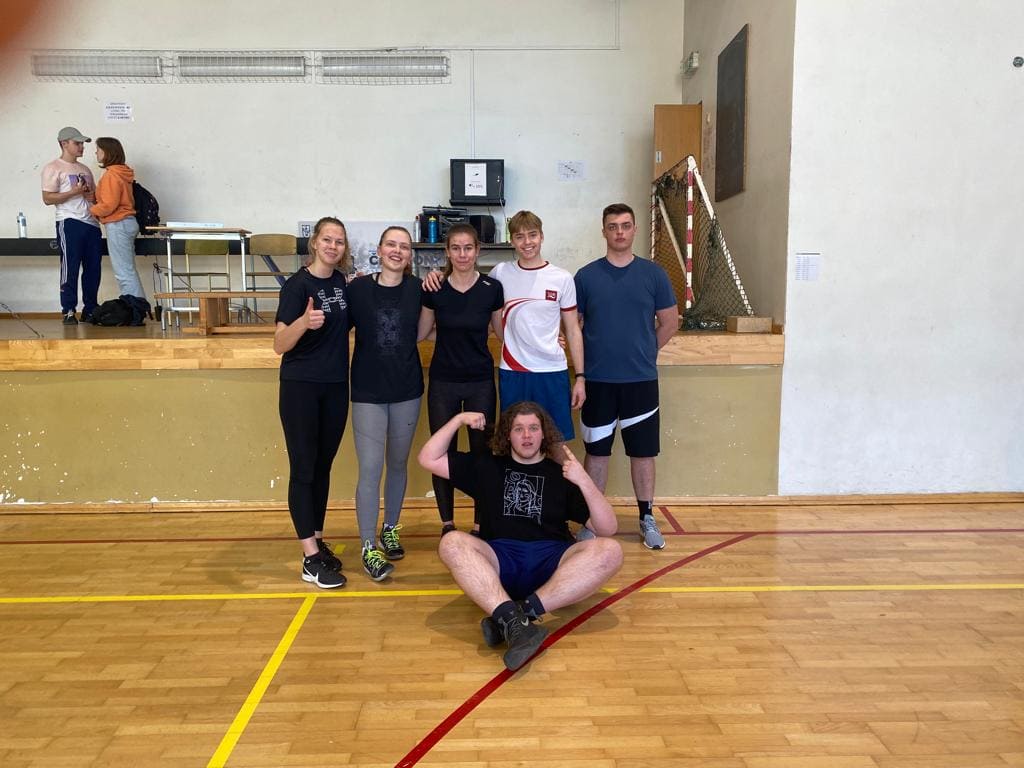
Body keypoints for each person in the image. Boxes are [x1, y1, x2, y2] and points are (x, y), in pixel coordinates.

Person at [418, 402, 623, 671]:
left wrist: (583, 479)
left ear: (543, 434)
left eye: (533, 428)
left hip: (552, 566)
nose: (527, 435)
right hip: (500, 560)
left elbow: (607, 528)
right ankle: (516, 618)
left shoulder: (560, 475)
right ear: (508, 435)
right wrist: (458, 420)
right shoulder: (487, 467)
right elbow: (428, 459)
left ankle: (515, 617)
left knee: (611, 550)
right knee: (451, 542)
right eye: (519, 429)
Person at [423, 211, 585, 446]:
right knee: (512, 443)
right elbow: (472, 297)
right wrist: (437, 274)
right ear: (512, 241)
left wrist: (580, 376)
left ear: (542, 236)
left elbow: (572, 329)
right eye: (519, 236)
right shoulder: (500, 274)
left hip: (551, 371)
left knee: (554, 442)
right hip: (513, 371)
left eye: (532, 235)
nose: (527, 242)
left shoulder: (562, 278)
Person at [574, 203, 679, 549]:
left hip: (640, 382)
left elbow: (670, 322)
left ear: (634, 229)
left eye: (625, 225)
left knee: (643, 453)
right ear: (603, 231)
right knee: (597, 454)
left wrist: (645, 352)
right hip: (598, 382)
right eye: (612, 226)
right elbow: (573, 327)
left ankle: (646, 517)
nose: (619, 232)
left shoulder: (654, 275)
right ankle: (592, 520)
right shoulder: (585, 277)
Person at [347, 226, 434, 581]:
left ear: (410, 254)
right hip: (367, 391)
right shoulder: (357, 289)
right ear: (380, 250)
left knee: (397, 464)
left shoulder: (419, 289)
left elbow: (426, 331)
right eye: (391, 245)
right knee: (370, 468)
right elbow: (334, 328)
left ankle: (390, 529)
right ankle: (368, 547)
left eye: (404, 246)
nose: (397, 251)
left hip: (406, 389)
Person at [274, 216, 351, 589]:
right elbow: (279, 344)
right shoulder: (297, 286)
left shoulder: (341, 283)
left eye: (339, 241)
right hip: (301, 387)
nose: (333, 246)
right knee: (304, 469)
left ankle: (317, 543)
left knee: (323, 467)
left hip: (335, 387)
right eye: (327, 239)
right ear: (315, 243)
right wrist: (303, 323)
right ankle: (309, 558)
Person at [420, 224, 504, 535]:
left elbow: (503, 332)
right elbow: (421, 332)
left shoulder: (492, 288)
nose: (462, 254)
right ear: (447, 252)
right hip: (443, 381)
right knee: (443, 453)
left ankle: (481, 525)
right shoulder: (435, 288)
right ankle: (448, 524)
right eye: (455, 248)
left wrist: (551, 340)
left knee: (483, 454)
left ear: (477, 250)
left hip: (480, 381)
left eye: (468, 247)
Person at [41, 126, 102, 325]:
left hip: (91, 223)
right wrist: (73, 192)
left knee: (93, 268)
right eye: (77, 143)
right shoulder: (53, 168)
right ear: (64, 143)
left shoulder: (85, 169)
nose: (81, 147)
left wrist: (92, 197)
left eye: (82, 143)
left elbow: (92, 197)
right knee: (71, 266)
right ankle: (68, 310)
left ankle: (90, 309)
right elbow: (47, 198)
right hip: (69, 221)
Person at [89, 137, 146, 302]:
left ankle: (135, 308)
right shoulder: (122, 172)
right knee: (128, 270)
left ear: (107, 152)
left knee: (124, 272)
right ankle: (137, 306)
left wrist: (91, 210)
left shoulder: (111, 175)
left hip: (118, 224)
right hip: (127, 222)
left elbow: (109, 205)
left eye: (98, 149)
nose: (96, 153)